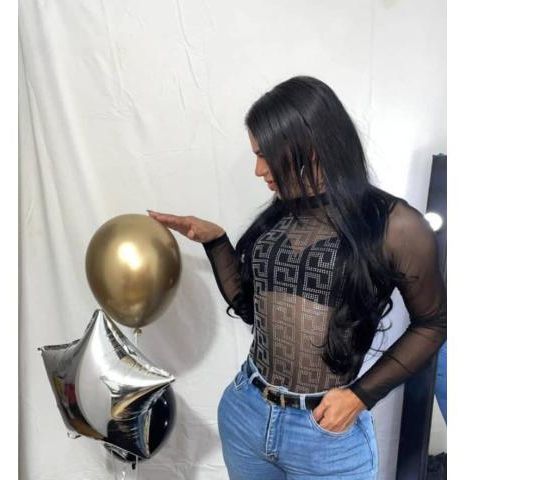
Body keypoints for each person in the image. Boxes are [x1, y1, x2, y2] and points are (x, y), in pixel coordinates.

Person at [147, 76, 446, 480]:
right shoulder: (282, 213)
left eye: (265, 155)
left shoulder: (396, 225)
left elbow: (434, 322)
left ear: (310, 144)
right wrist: (216, 241)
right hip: (247, 412)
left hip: (325, 435)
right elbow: (254, 312)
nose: (258, 170)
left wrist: (360, 396)